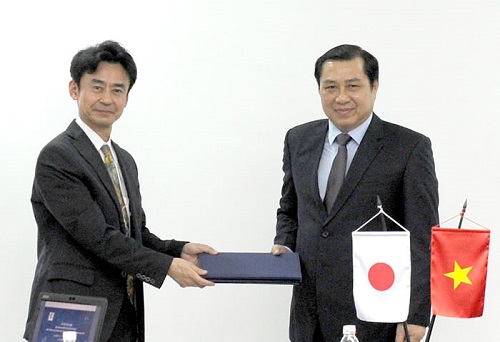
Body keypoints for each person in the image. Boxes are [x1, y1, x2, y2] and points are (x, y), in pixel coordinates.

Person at [23, 40, 217, 342]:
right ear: (75, 90)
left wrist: (177, 250)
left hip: (124, 310)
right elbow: (97, 237)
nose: (106, 99)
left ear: (127, 97)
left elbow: (133, 233)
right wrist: (167, 267)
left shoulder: (123, 160)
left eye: (117, 90)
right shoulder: (58, 156)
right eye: (97, 87)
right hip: (72, 313)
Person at [271, 44, 439, 342]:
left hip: (377, 315)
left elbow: (423, 237)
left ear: (374, 87)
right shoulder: (298, 139)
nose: (341, 97)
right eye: (330, 87)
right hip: (309, 313)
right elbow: (290, 207)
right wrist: (284, 244)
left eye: (353, 86)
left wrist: (415, 316)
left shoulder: (409, 148)